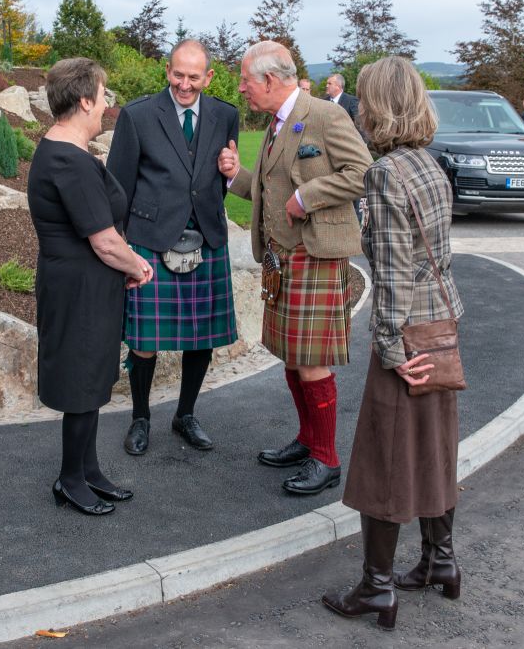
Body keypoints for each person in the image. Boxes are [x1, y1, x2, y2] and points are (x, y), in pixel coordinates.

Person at [321, 55, 465, 630]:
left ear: (377, 107)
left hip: (409, 337)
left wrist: (390, 349)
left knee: (384, 460)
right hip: (442, 326)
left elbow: (394, 274)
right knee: (435, 449)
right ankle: (439, 561)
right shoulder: (430, 164)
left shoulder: (385, 174)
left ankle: (376, 587)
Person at [218, 41, 370, 495]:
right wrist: (234, 176)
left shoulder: (324, 115)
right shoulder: (277, 123)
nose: (241, 88)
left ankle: (327, 459)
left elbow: (363, 172)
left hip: (314, 255)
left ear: (269, 80)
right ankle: (308, 440)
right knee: (293, 355)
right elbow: (270, 190)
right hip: (282, 258)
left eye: (245, 80)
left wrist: (308, 196)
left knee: (311, 361)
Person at [28, 57, 153, 515]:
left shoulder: (69, 152)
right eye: (103, 96)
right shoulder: (68, 160)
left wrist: (124, 265)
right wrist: (138, 266)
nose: (106, 105)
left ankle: (89, 471)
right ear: (84, 100)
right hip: (78, 288)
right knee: (82, 379)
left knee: (93, 376)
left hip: (87, 284)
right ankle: (69, 479)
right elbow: (103, 241)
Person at [107, 39, 240, 455]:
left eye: (193, 77)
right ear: (167, 71)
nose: (184, 84)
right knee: (144, 340)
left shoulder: (225, 115)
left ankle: (185, 414)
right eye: (178, 74)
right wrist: (122, 247)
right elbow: (118, 185)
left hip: (207, 238)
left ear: (209, 77)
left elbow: (222, 178)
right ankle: (140, 418)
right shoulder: (139, 115)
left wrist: (231, 172)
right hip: (151, 239)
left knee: (201, 337)